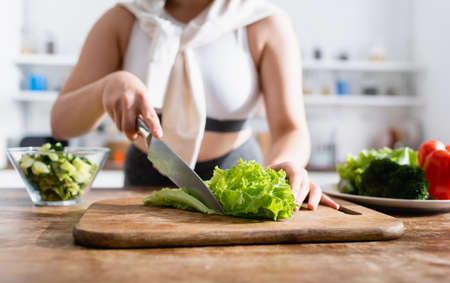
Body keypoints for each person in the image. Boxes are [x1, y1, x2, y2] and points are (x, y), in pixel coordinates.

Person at [50, 0, 339, 211]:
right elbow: (61, 123)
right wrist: (106, 87)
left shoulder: (263, 21)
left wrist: (284, 165)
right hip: (145, 179)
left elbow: (291, 128)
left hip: (236, 180)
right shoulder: (123, 18)